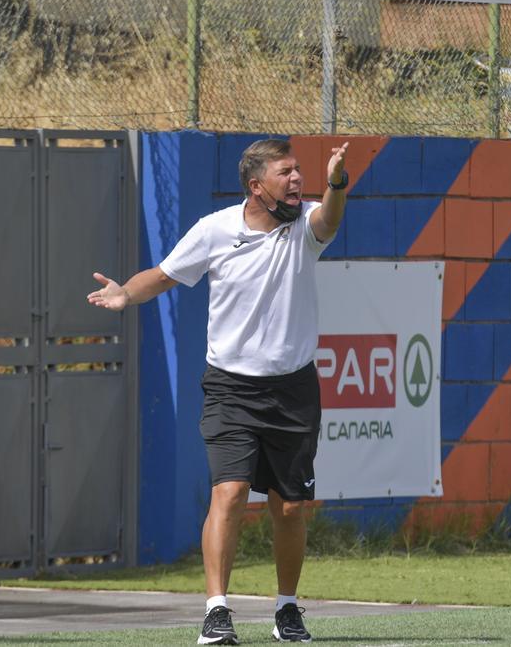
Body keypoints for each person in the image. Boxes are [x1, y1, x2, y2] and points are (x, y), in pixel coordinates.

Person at [88, 138, 349, 644]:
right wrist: (125, 293)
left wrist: (337, 180)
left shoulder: (307, 225)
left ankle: (287, 608)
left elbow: (331, 218)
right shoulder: (215, 230)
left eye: (299, 171)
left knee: (290, 507)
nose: (297, 179)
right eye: (286, 172)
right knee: (228, 494)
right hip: (230, 387)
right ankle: (216, 611)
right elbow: (163, 276)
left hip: (293, 390)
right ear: (257, 185)